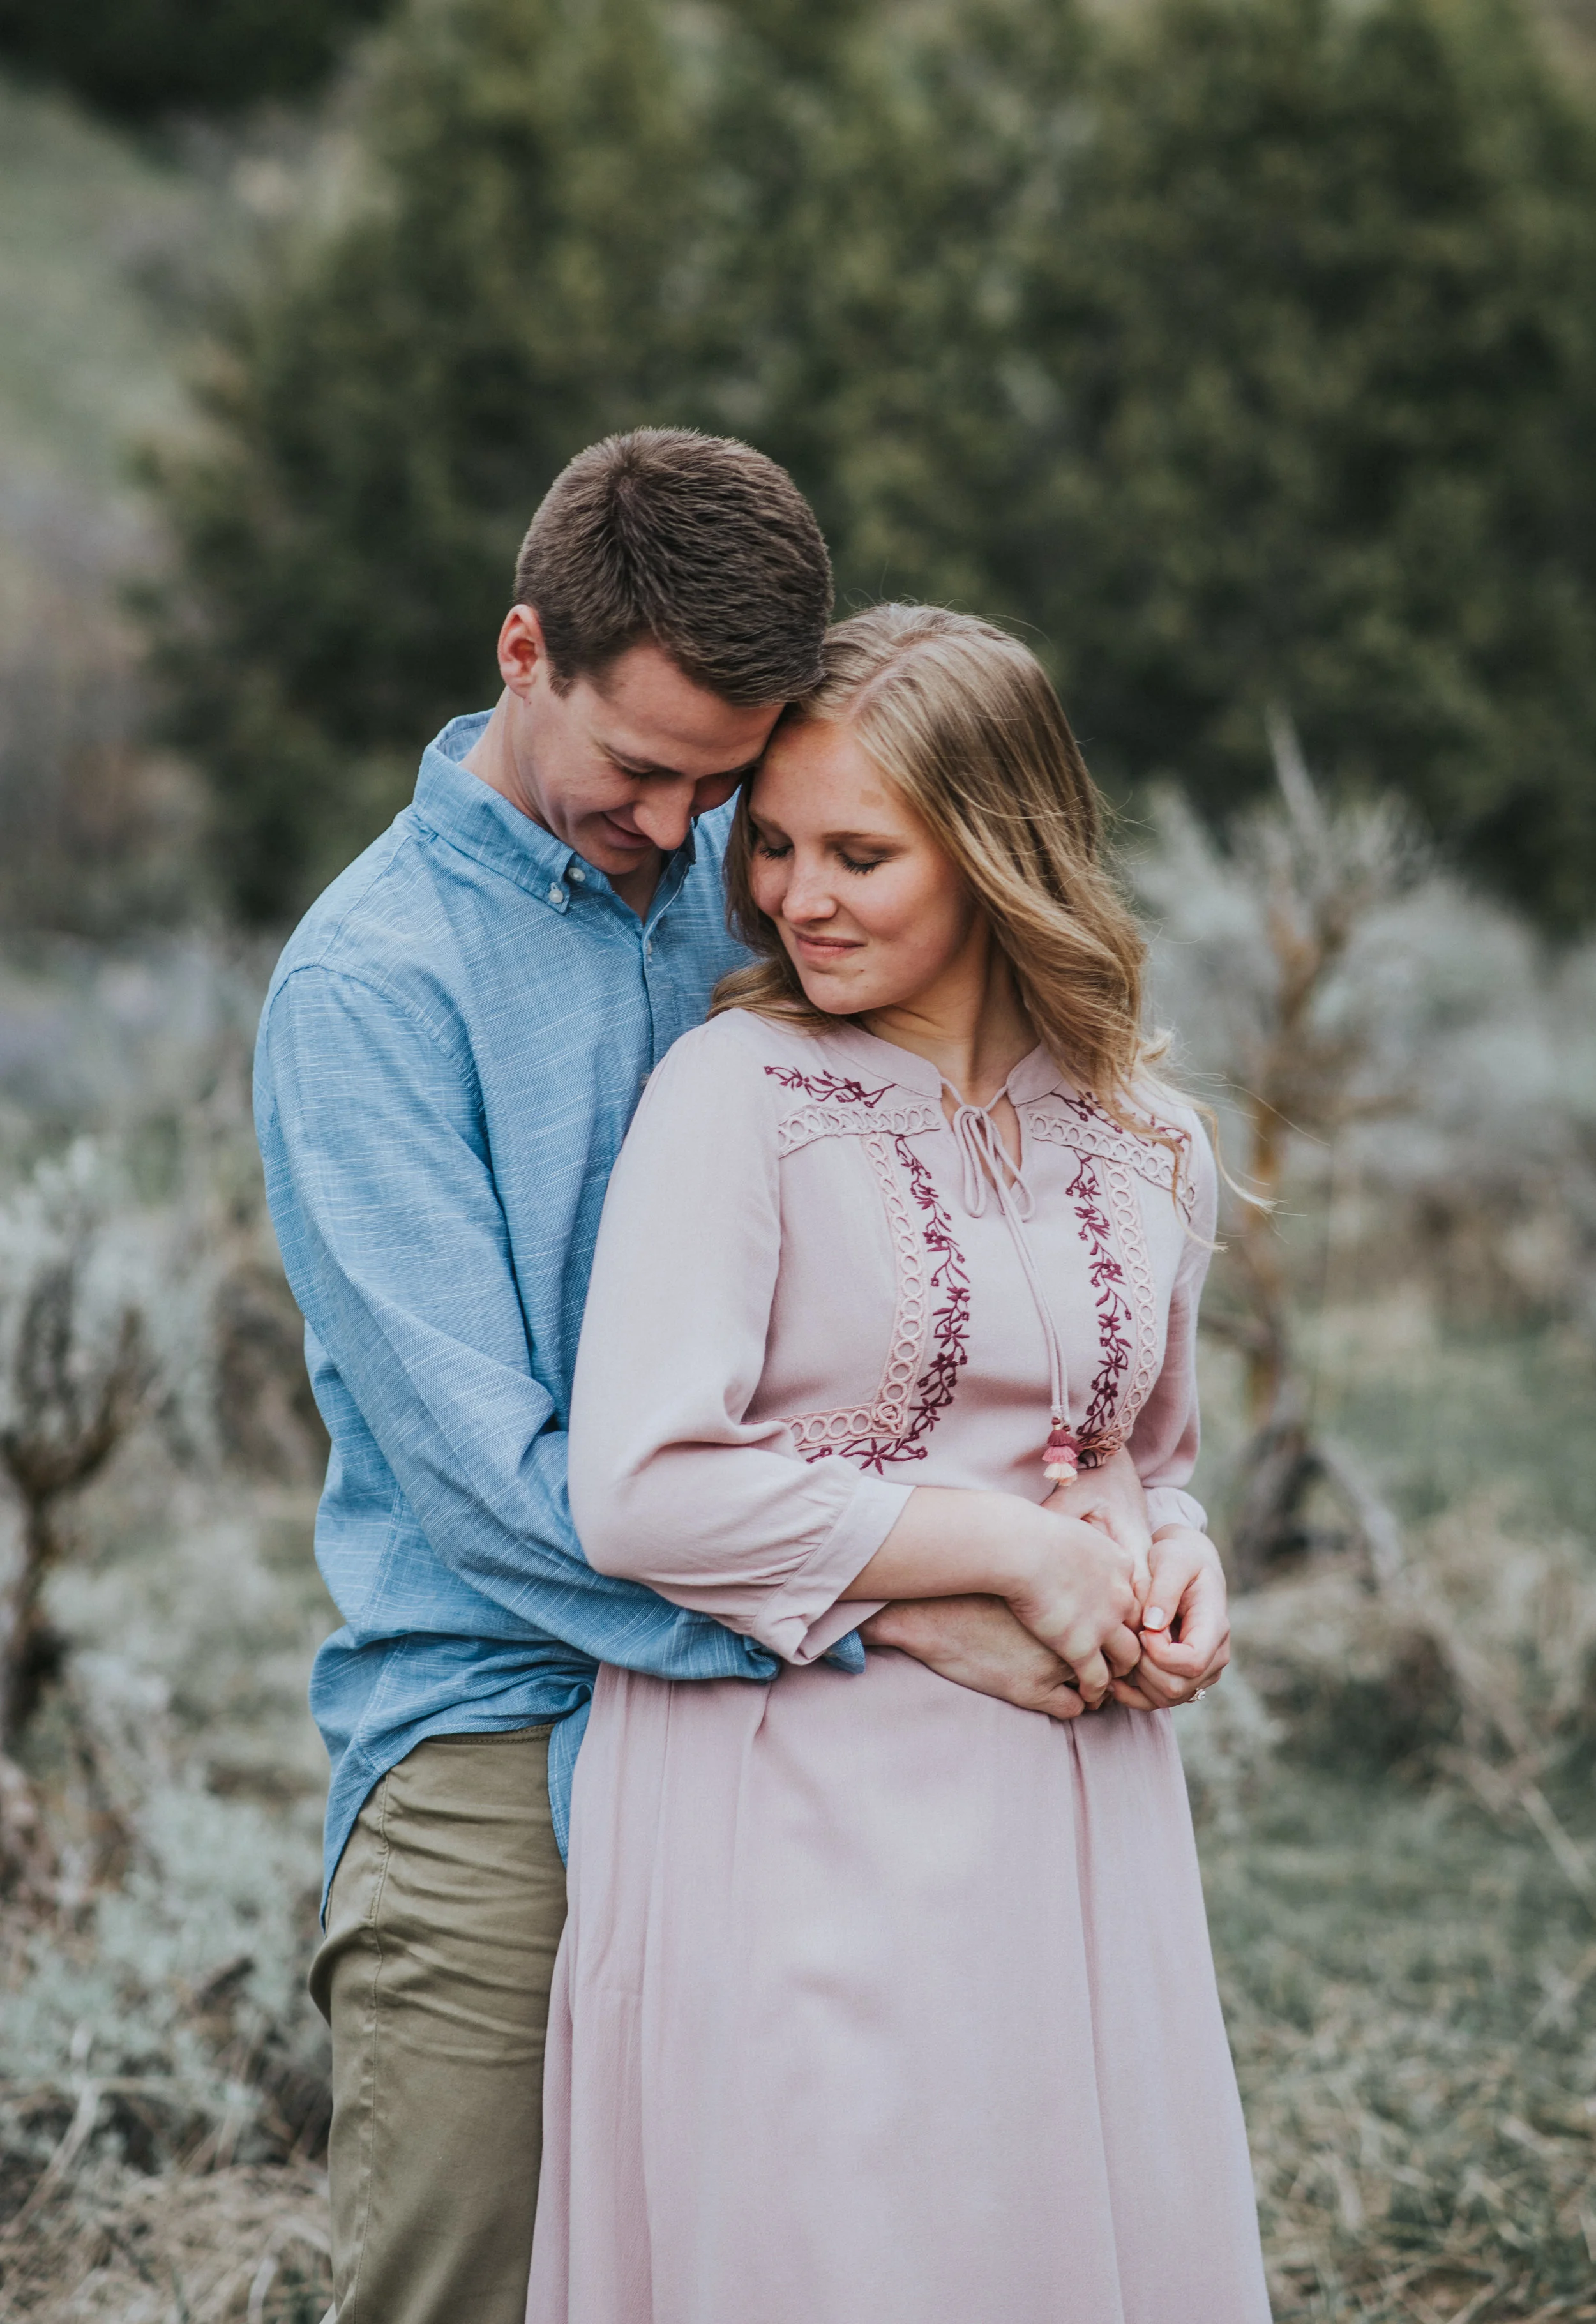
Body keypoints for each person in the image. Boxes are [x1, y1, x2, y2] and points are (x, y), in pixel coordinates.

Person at [255, 434, 1157, 2324]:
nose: (681, 835)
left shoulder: (757, 887)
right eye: (642, 772)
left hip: (806, 1765)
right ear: (524, 652)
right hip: (502, 1724)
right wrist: (901, 1606)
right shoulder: (372, 989)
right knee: (463, 2283)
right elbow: (495, 1486)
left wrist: (1098, 1502)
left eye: (722, 788)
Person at [530, 603, 1265, 2323]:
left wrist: (1178, 1557)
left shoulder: (1149, 1134)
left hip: (1081, 1819)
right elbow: (638, 1486)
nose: (800, 897)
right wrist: (1004, 1553)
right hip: (792, 1809)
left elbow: (1147, 1459)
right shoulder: (737, 1095)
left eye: (861, 856)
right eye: (774, 846)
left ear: (1000, 856)